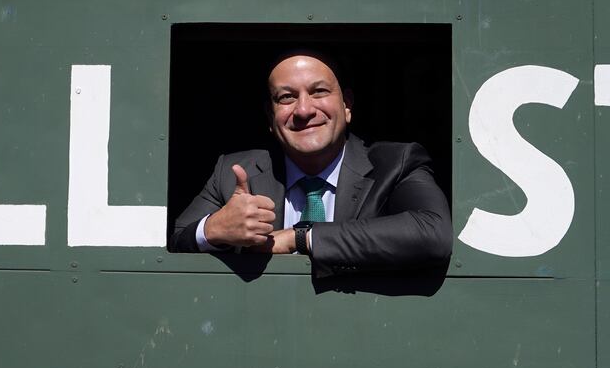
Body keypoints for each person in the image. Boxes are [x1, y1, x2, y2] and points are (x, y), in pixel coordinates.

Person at [169, 51, 452, 278]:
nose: (304, 110)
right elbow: (177, 240)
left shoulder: (394, 164)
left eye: (318, 92)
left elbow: (433, 234)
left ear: (347, 105)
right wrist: (213, 230)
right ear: (270, 116)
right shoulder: (234, 172)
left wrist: (300, 238)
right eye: (287, 97)